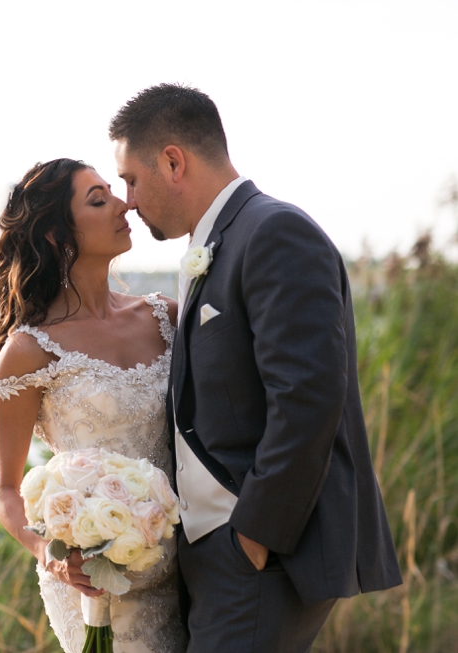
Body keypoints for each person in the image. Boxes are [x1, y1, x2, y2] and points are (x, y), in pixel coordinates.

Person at [109, 83, 402, 653]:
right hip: (218, 554)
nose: (129, 200)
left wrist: (254, 537)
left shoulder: (272, 232)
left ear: (173, 161)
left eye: (130, 179)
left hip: (261, 556)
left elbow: (308, 397)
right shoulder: (217, 240)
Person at [0, 158, 187, 653]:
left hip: (188, 570)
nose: (125, 204)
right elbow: (5, 489)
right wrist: (51, 555)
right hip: (92, 587)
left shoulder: (166, 316)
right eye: (99, 200)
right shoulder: (29, 351)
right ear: (57, 235)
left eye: (114, 192)